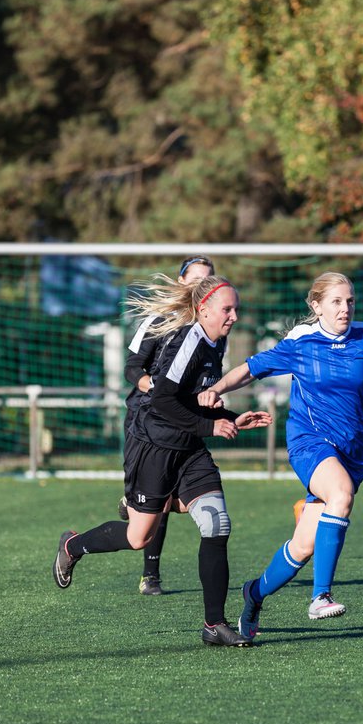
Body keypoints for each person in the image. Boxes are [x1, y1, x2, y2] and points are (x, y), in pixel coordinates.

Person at [198, 272, 363, 640]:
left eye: (350, 301)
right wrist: (215, 388)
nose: (344, 308)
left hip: (352, 452)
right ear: (316, 305)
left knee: (302, 546)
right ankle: (320, 596)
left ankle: (253, 594)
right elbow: (251, 370)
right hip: (310, 442)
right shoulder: (301, 342)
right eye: (336, 302)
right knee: (341, 495)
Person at [51, 275, 272, 647]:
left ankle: (214, 624)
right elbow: (163, 402)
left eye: (236, 309)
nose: (233, 316)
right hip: (154, 445)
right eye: (227, 309)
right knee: (139, 537)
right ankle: (72, 546)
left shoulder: (216, 341)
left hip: (188, 447)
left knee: (217, 523)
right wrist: (211, 426)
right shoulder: (188, 340)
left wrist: (232, 419)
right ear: (203, 309)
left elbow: (191, 399)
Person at [119, 255, 215, 596]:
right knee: (158, 501)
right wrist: (156, 390)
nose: (201, 286)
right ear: (181, 281)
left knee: (177, 498)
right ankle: (150, 574)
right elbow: (133, 367)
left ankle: (133, 504)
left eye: (208, 280)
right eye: (196, 279)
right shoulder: (160, 318)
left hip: (184, 421)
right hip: (147, 419)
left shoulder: (213, 327)